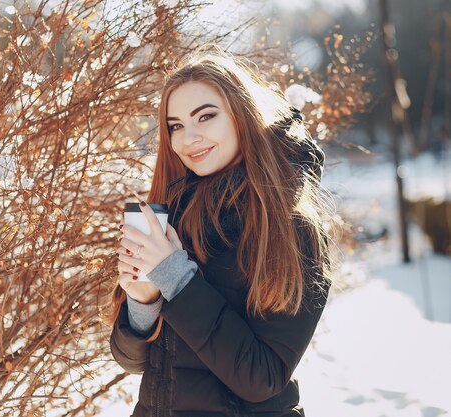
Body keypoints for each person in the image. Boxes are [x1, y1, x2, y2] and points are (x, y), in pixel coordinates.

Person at [109, 49, 332, 417]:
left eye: (206, 117)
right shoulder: (176, 213)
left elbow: (261, 378)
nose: (188, 138)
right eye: (175, 125)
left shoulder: (290, 225)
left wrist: (177, 280)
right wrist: (143, 302)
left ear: (242, 115)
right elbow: (133, 362)